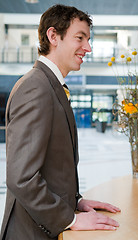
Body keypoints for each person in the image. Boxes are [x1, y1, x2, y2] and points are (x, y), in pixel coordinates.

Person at [0, 4, 120, 240]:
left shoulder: (50, 85)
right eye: (80, 38)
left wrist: (76, 201)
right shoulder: (35, 88)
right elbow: (21, 177)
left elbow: (51, 168)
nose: (88, 47)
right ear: (53, 36)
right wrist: (71, 219)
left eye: (88, 39)